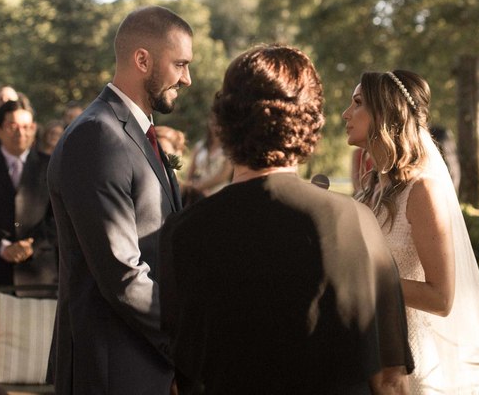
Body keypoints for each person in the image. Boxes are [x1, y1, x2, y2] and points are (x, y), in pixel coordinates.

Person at [162, 46, 413, 394]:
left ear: (226, 119)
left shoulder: (183, 232)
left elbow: (178, 372)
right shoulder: (355, 223)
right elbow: (389, 376)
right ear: (309, 121)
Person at [47, 5, 192, 395]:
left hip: (145, 361)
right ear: (142, 59)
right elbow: (122, 273)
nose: (188, 78)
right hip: (112, 366)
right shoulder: (97, 136)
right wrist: (188, 343)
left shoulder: (136, 132)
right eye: (180, 64)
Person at [345, 69, 479, 394]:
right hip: (375, 354)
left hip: (418, 361)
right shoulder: (368, 191)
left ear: (385, 113)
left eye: (358, 103)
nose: (346, 114)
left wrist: (365, 279)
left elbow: (442, 298)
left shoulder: (421, 192)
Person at [0, 100, 57, 356]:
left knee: (37, 350)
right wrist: (2, 247)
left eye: (27, 126)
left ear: (35, 128)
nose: (20, 132)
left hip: (39, 274)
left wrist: (31, 245)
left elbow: (59, 218)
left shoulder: (52, 166)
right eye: (13, 126)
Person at [182, 114, 232, 205]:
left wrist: (201, 186)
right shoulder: (200, 146)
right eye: (213, 122)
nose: (216, 127)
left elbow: (224, 175)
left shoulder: (228, 148)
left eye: (219, 124)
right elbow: (190, 172)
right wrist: (190, 187)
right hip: (198, 194)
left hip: (220, 193)